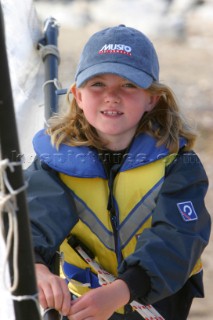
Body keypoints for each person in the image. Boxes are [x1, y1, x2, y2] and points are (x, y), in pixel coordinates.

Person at [25, 25, 211, 320]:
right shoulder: (54, 161)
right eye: (97, 84)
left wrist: (122, 290)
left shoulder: (178, 165)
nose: (112, 96)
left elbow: (179, 237)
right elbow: (32, 220)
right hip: (82, 299)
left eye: (128, 85)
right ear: (78, 96)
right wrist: (35, 267)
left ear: (152, 99)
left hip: (157, 296)